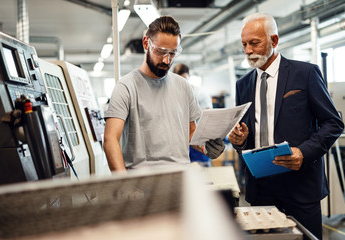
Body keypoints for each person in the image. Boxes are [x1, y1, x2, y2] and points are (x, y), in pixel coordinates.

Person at [228, 13, 344, 239]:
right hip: (260, 188)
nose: (248, 50)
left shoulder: (305, 73)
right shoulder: (243, 84)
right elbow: (243, 132)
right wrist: (239, 140)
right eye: (244, 44)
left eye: (254, 43)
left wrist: (304, 151)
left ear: (274, 41)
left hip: (299, 184)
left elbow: (333, 123)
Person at [103, 16, 224, 172]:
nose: (167, 60)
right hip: (143, 182)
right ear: (146, 43)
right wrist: (124, 184)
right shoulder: (126, 87)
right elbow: (110, 140)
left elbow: (190, 131)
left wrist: (206, 147)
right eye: (161, 52)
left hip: (181, 178)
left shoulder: (183, 86)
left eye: (173, 53)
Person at [173, 63, 214, 166]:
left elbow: (209, 115)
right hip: (180, 143)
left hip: (198, 140)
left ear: (188, 76)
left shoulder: (199, 93)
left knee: (203, 175)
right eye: (178, 79)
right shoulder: (172, 94)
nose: (182, 83)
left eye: (184, 79)